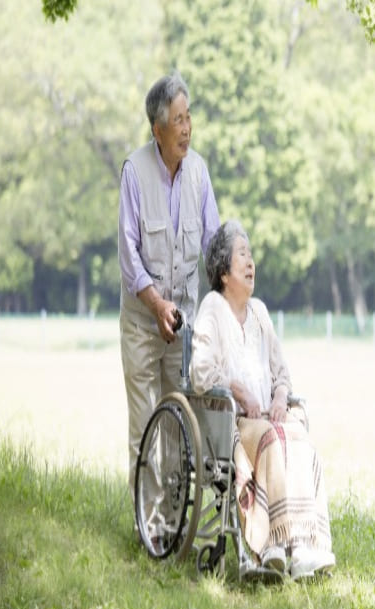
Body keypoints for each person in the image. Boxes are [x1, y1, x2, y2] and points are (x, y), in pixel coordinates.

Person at [190, 220, 335, 580]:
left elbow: (281, 372)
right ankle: (271, 541)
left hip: (269, 418)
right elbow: (201, 373)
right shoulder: (212, 307)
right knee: (274, 440)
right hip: (233, 422)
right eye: (242, 255)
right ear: (224, 271)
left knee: (299, 440)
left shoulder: (261, 313)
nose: (251, 262)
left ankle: (302, 546)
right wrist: (239, 391)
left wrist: (281, 395)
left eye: (251, 255)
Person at [118, 71, 220, 502]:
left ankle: (178, 517)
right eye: (177, 119)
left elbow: (213, 245)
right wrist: (158, 305)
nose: (186, 127)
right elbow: (129, 257)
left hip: (184, 328)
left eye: (189, 116)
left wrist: (226, 302)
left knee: (183, 425)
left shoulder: (198, 172)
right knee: (145, 427)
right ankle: (151, 524)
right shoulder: (134, 172)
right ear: (157, 129)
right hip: (144, 324)